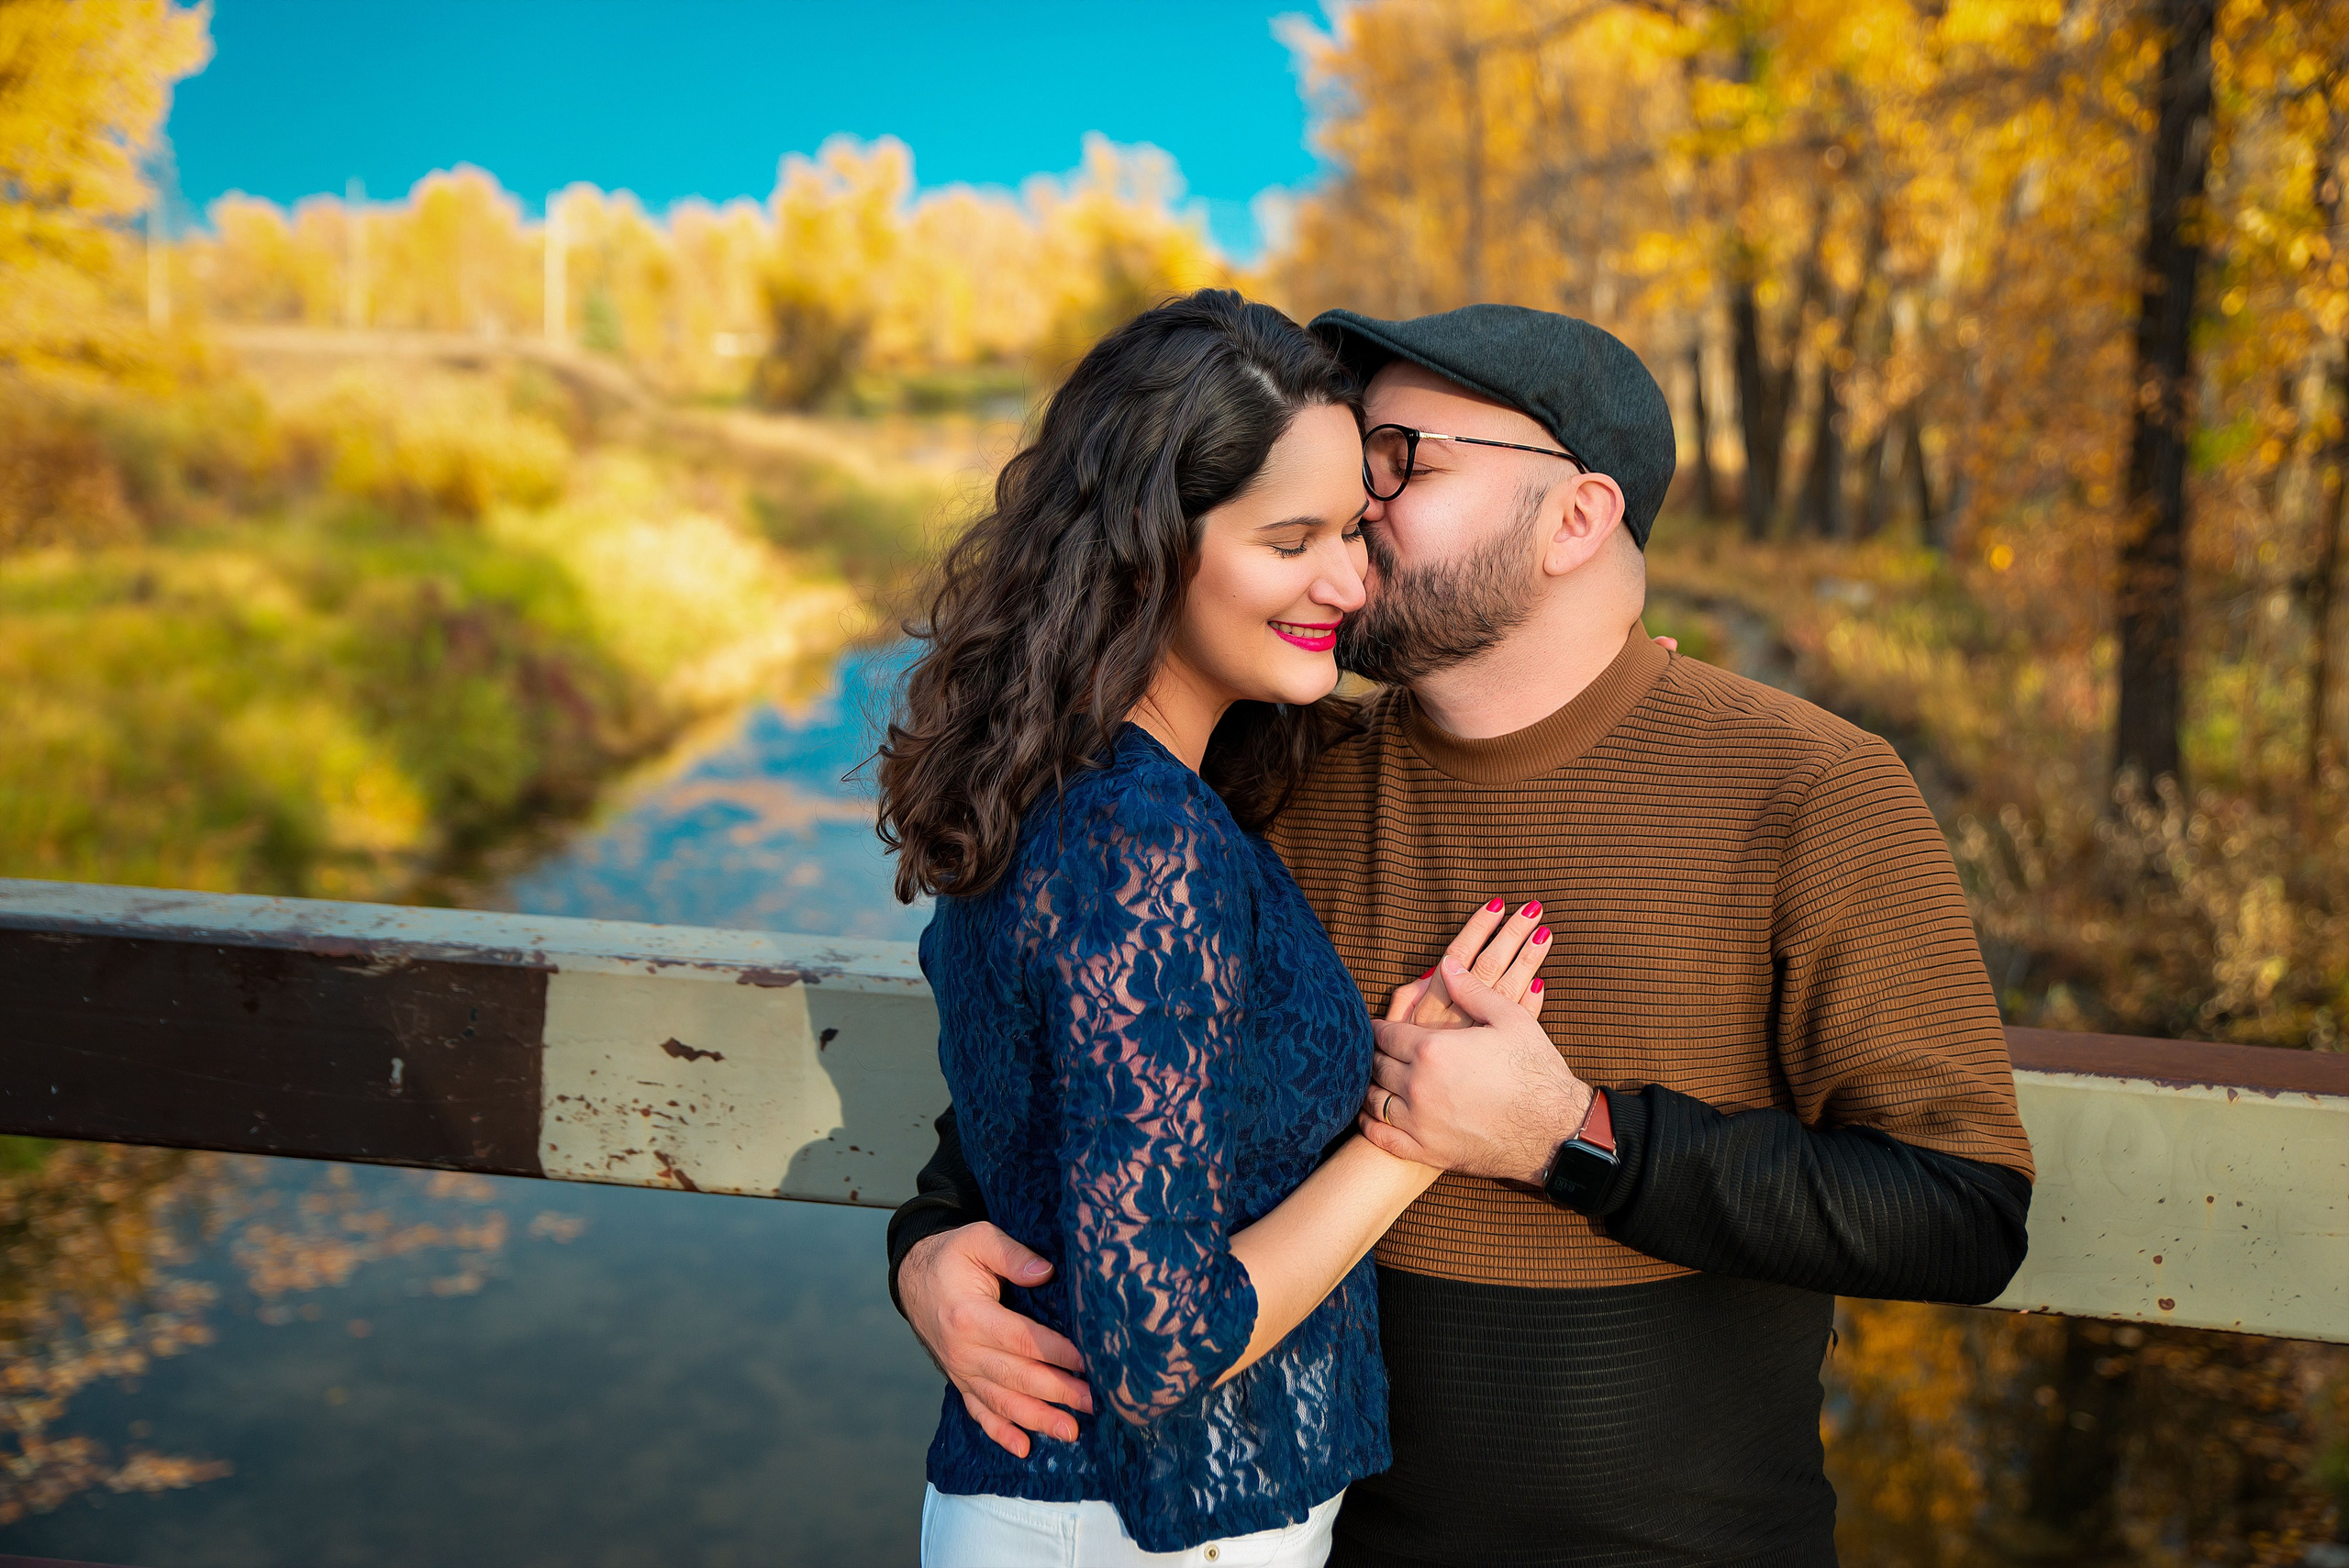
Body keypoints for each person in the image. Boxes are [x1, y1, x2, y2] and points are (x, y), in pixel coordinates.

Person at [888, 302, 2039, 1568]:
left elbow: (1961, 1214)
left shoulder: (1808, 787)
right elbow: (1072, 1070)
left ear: (1575, 518)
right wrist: (930, 1247)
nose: (1359, 510)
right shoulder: (1273, 769)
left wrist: (1575, 1137)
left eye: (1400, 464)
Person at [874, 289, 1557, 1567]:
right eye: (1291, 538)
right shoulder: (1140, 837)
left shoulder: (1090, 790)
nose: (1349, 581)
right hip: (1136, 1526)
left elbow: (1066, 1118)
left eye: (1352, 530)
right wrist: (1411, 1141)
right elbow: (1160, 1342)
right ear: (1146, 552)